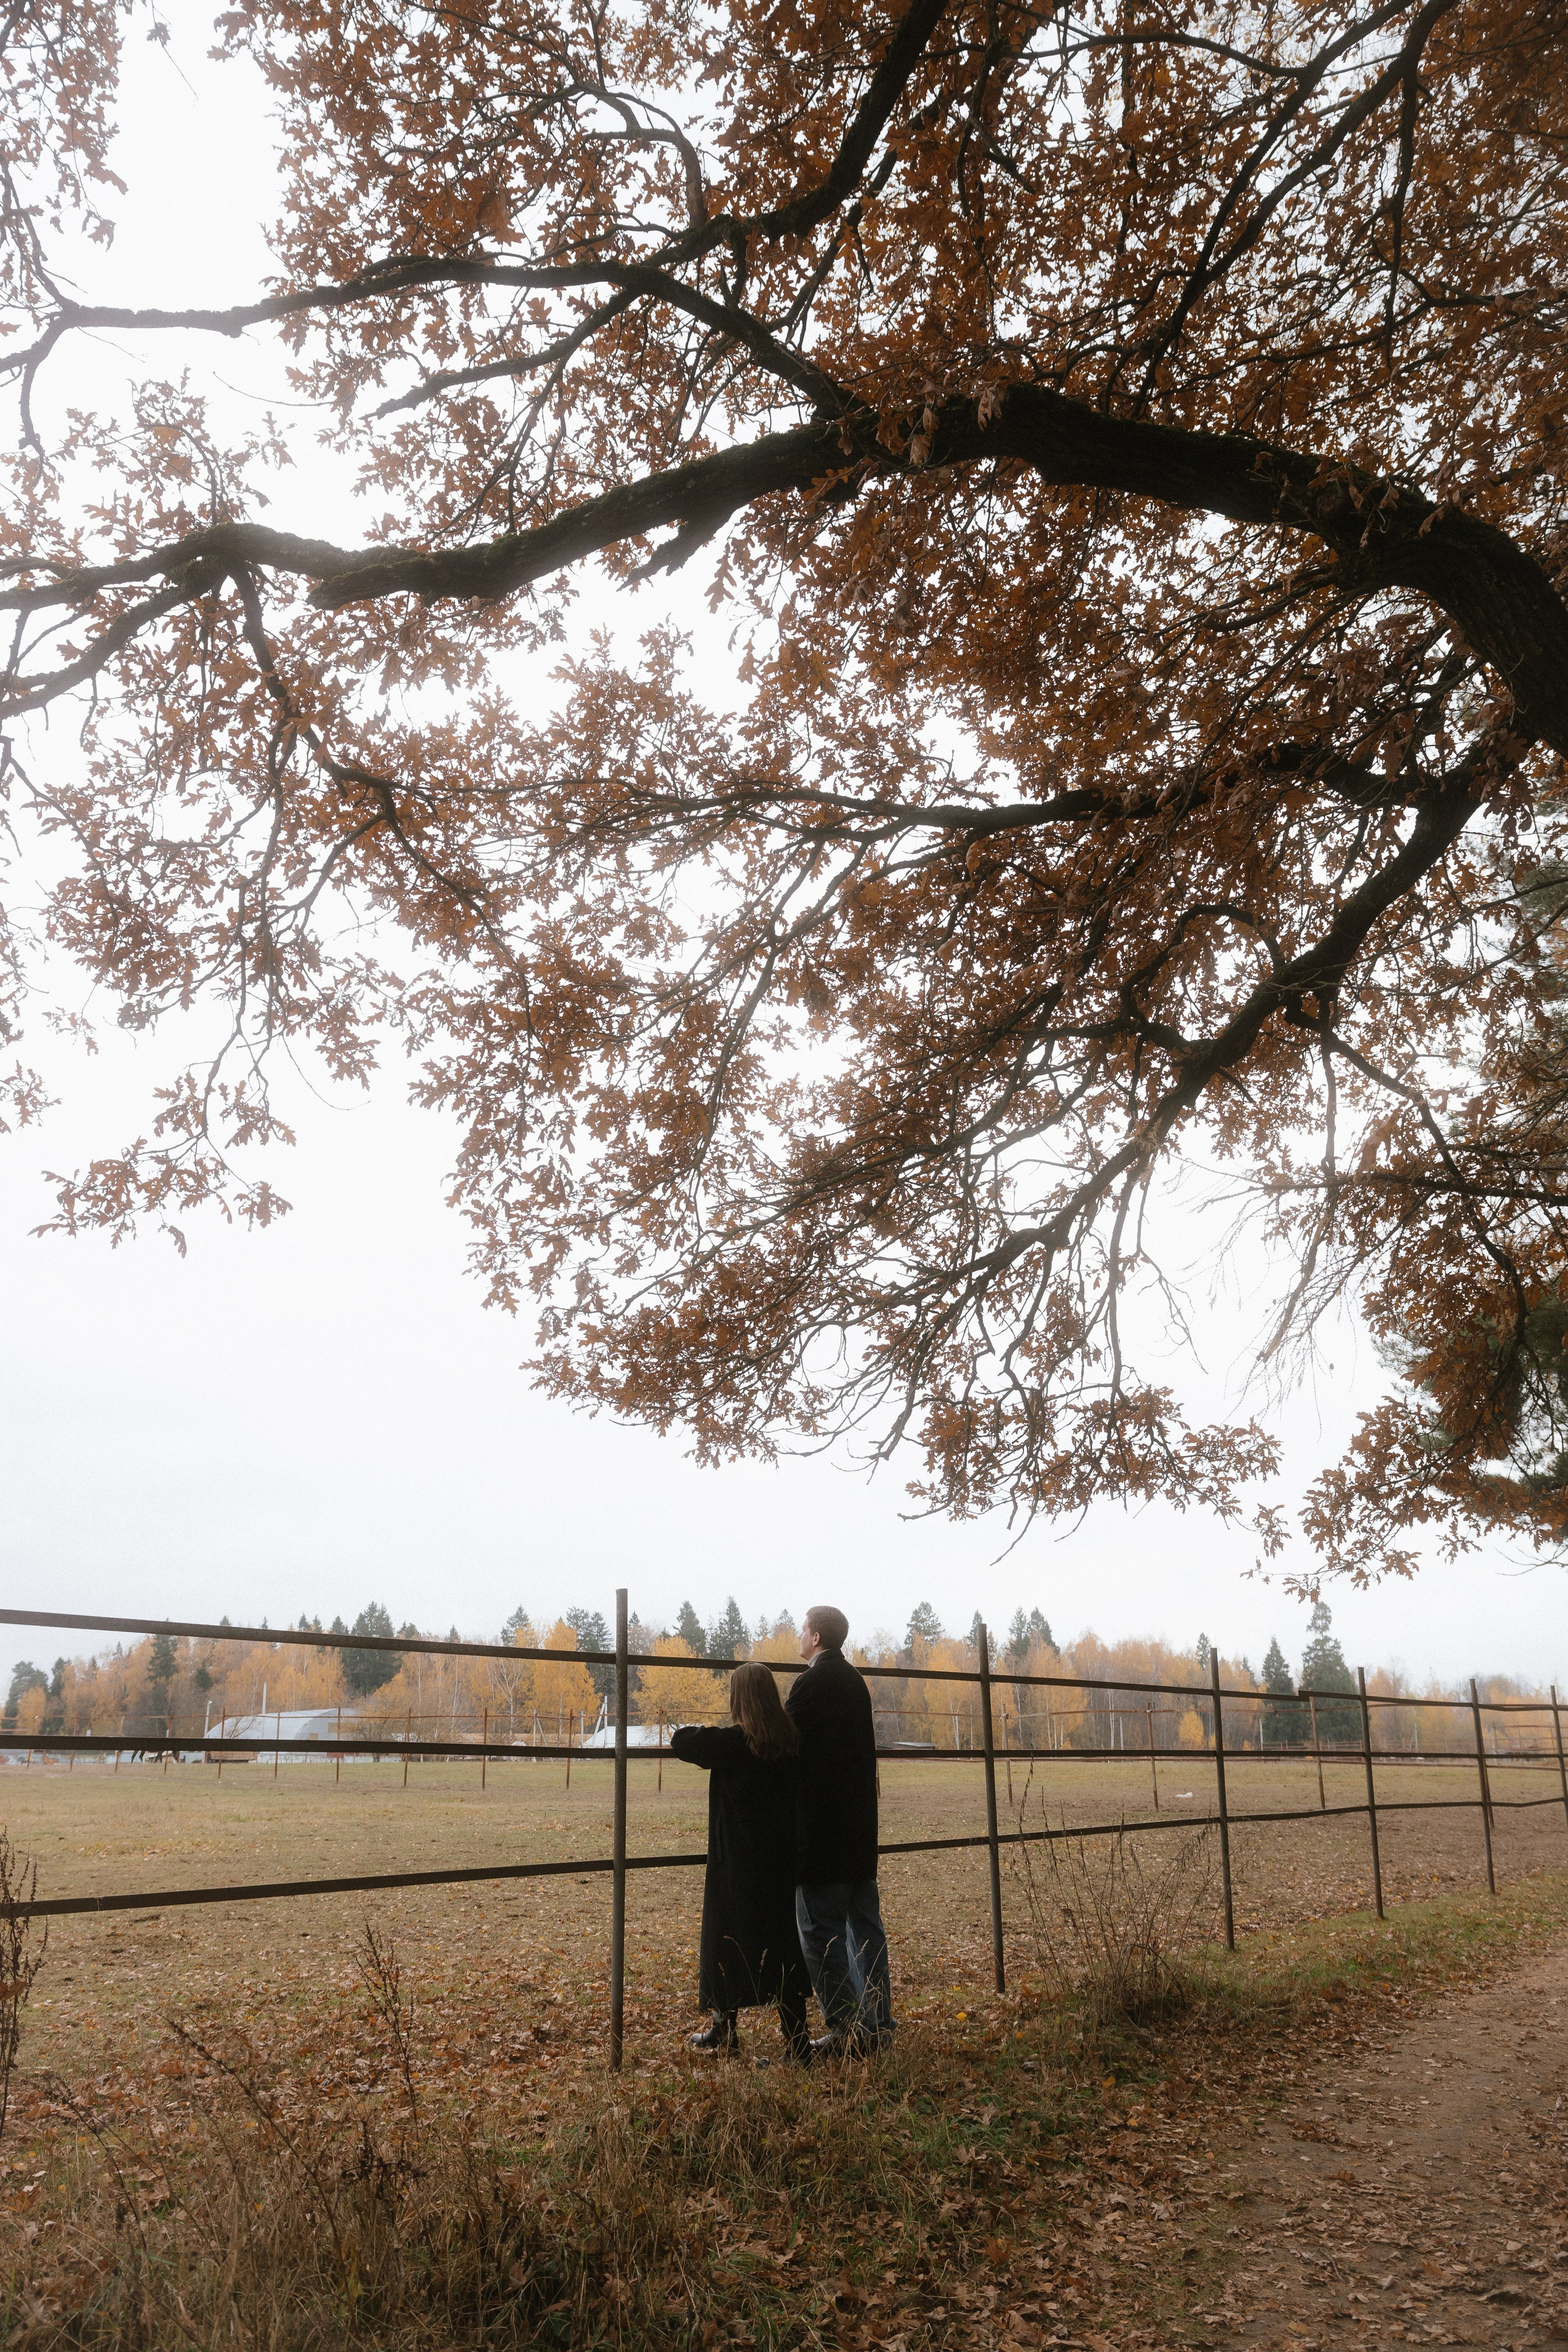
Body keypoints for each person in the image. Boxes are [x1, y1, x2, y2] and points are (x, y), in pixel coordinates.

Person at [669, 1663, 812, 2060]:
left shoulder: (733, 1744)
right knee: (783, 1946)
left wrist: (712, 1727)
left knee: (726, 1942)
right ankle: (797, 2041)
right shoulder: (789, 1743)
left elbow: (682, 1740)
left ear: (739, 1699)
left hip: (736, 1865)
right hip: (780, 1864)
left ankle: (724, 2029)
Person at [786, 1604, 895, 2056]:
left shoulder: (810, 1683)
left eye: (802, 1630)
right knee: (865, 1928)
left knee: (820, 1934)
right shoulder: (855, 1682)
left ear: (815, 1637)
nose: (799, 1636)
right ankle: (879, 2024)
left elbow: (784, 1741)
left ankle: (849, 2030)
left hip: (823, 1833)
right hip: (859, 1830)